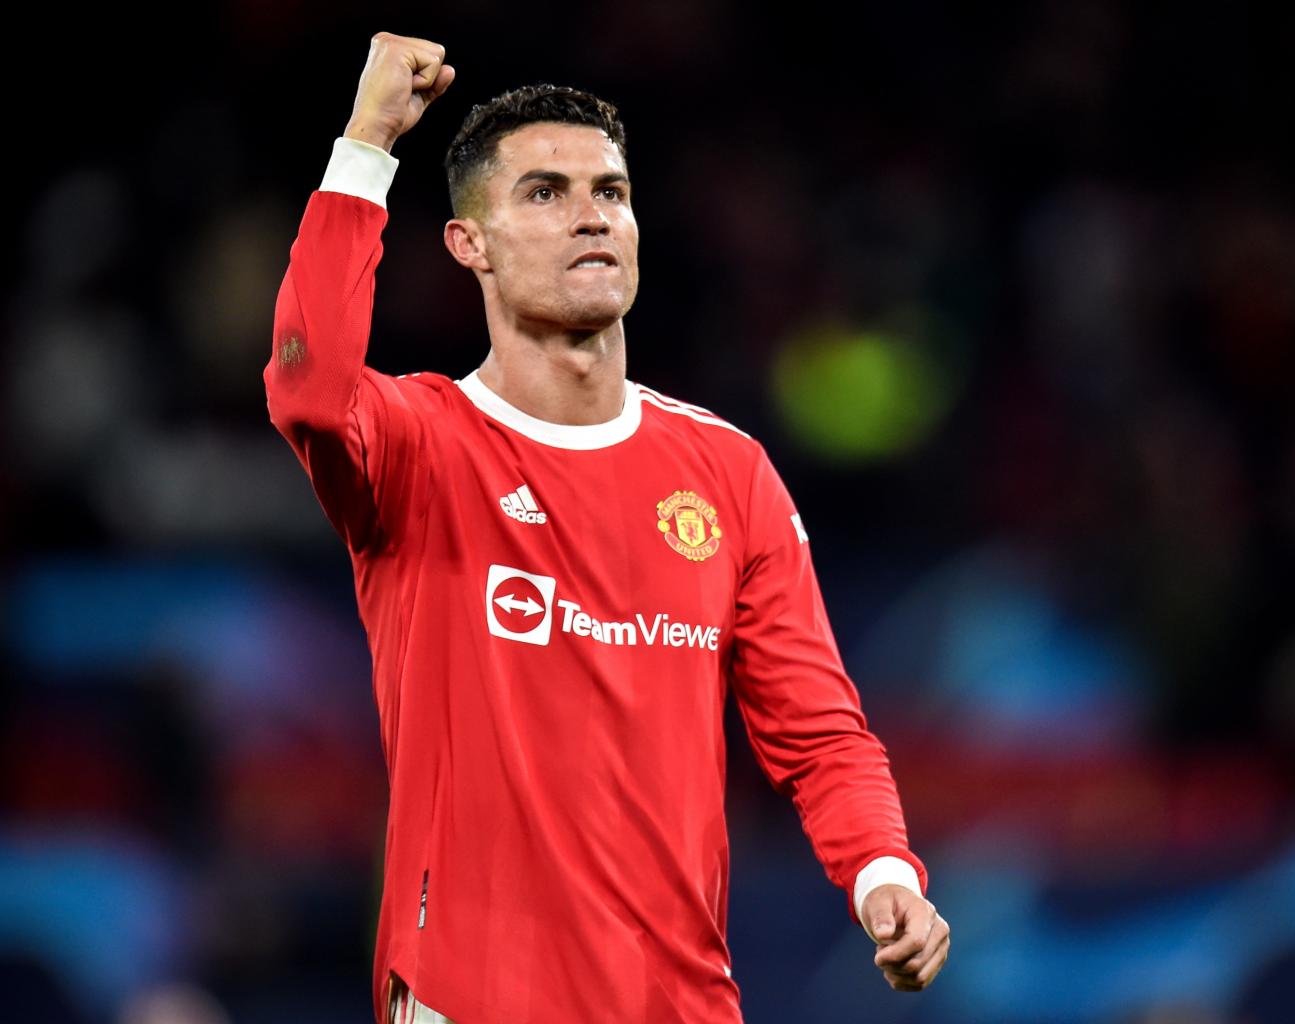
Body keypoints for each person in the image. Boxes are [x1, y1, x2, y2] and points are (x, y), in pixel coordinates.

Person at [265, 31, 950, 1024]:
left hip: (681, 1002)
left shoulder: (727, 472)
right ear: (470, 244)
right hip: (472, 999)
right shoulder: (420, 444)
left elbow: (819, 735)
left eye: (611, 193)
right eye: (545, 193)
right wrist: (367, 143)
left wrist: (884, 871)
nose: (591, 215)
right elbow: (308, 389)